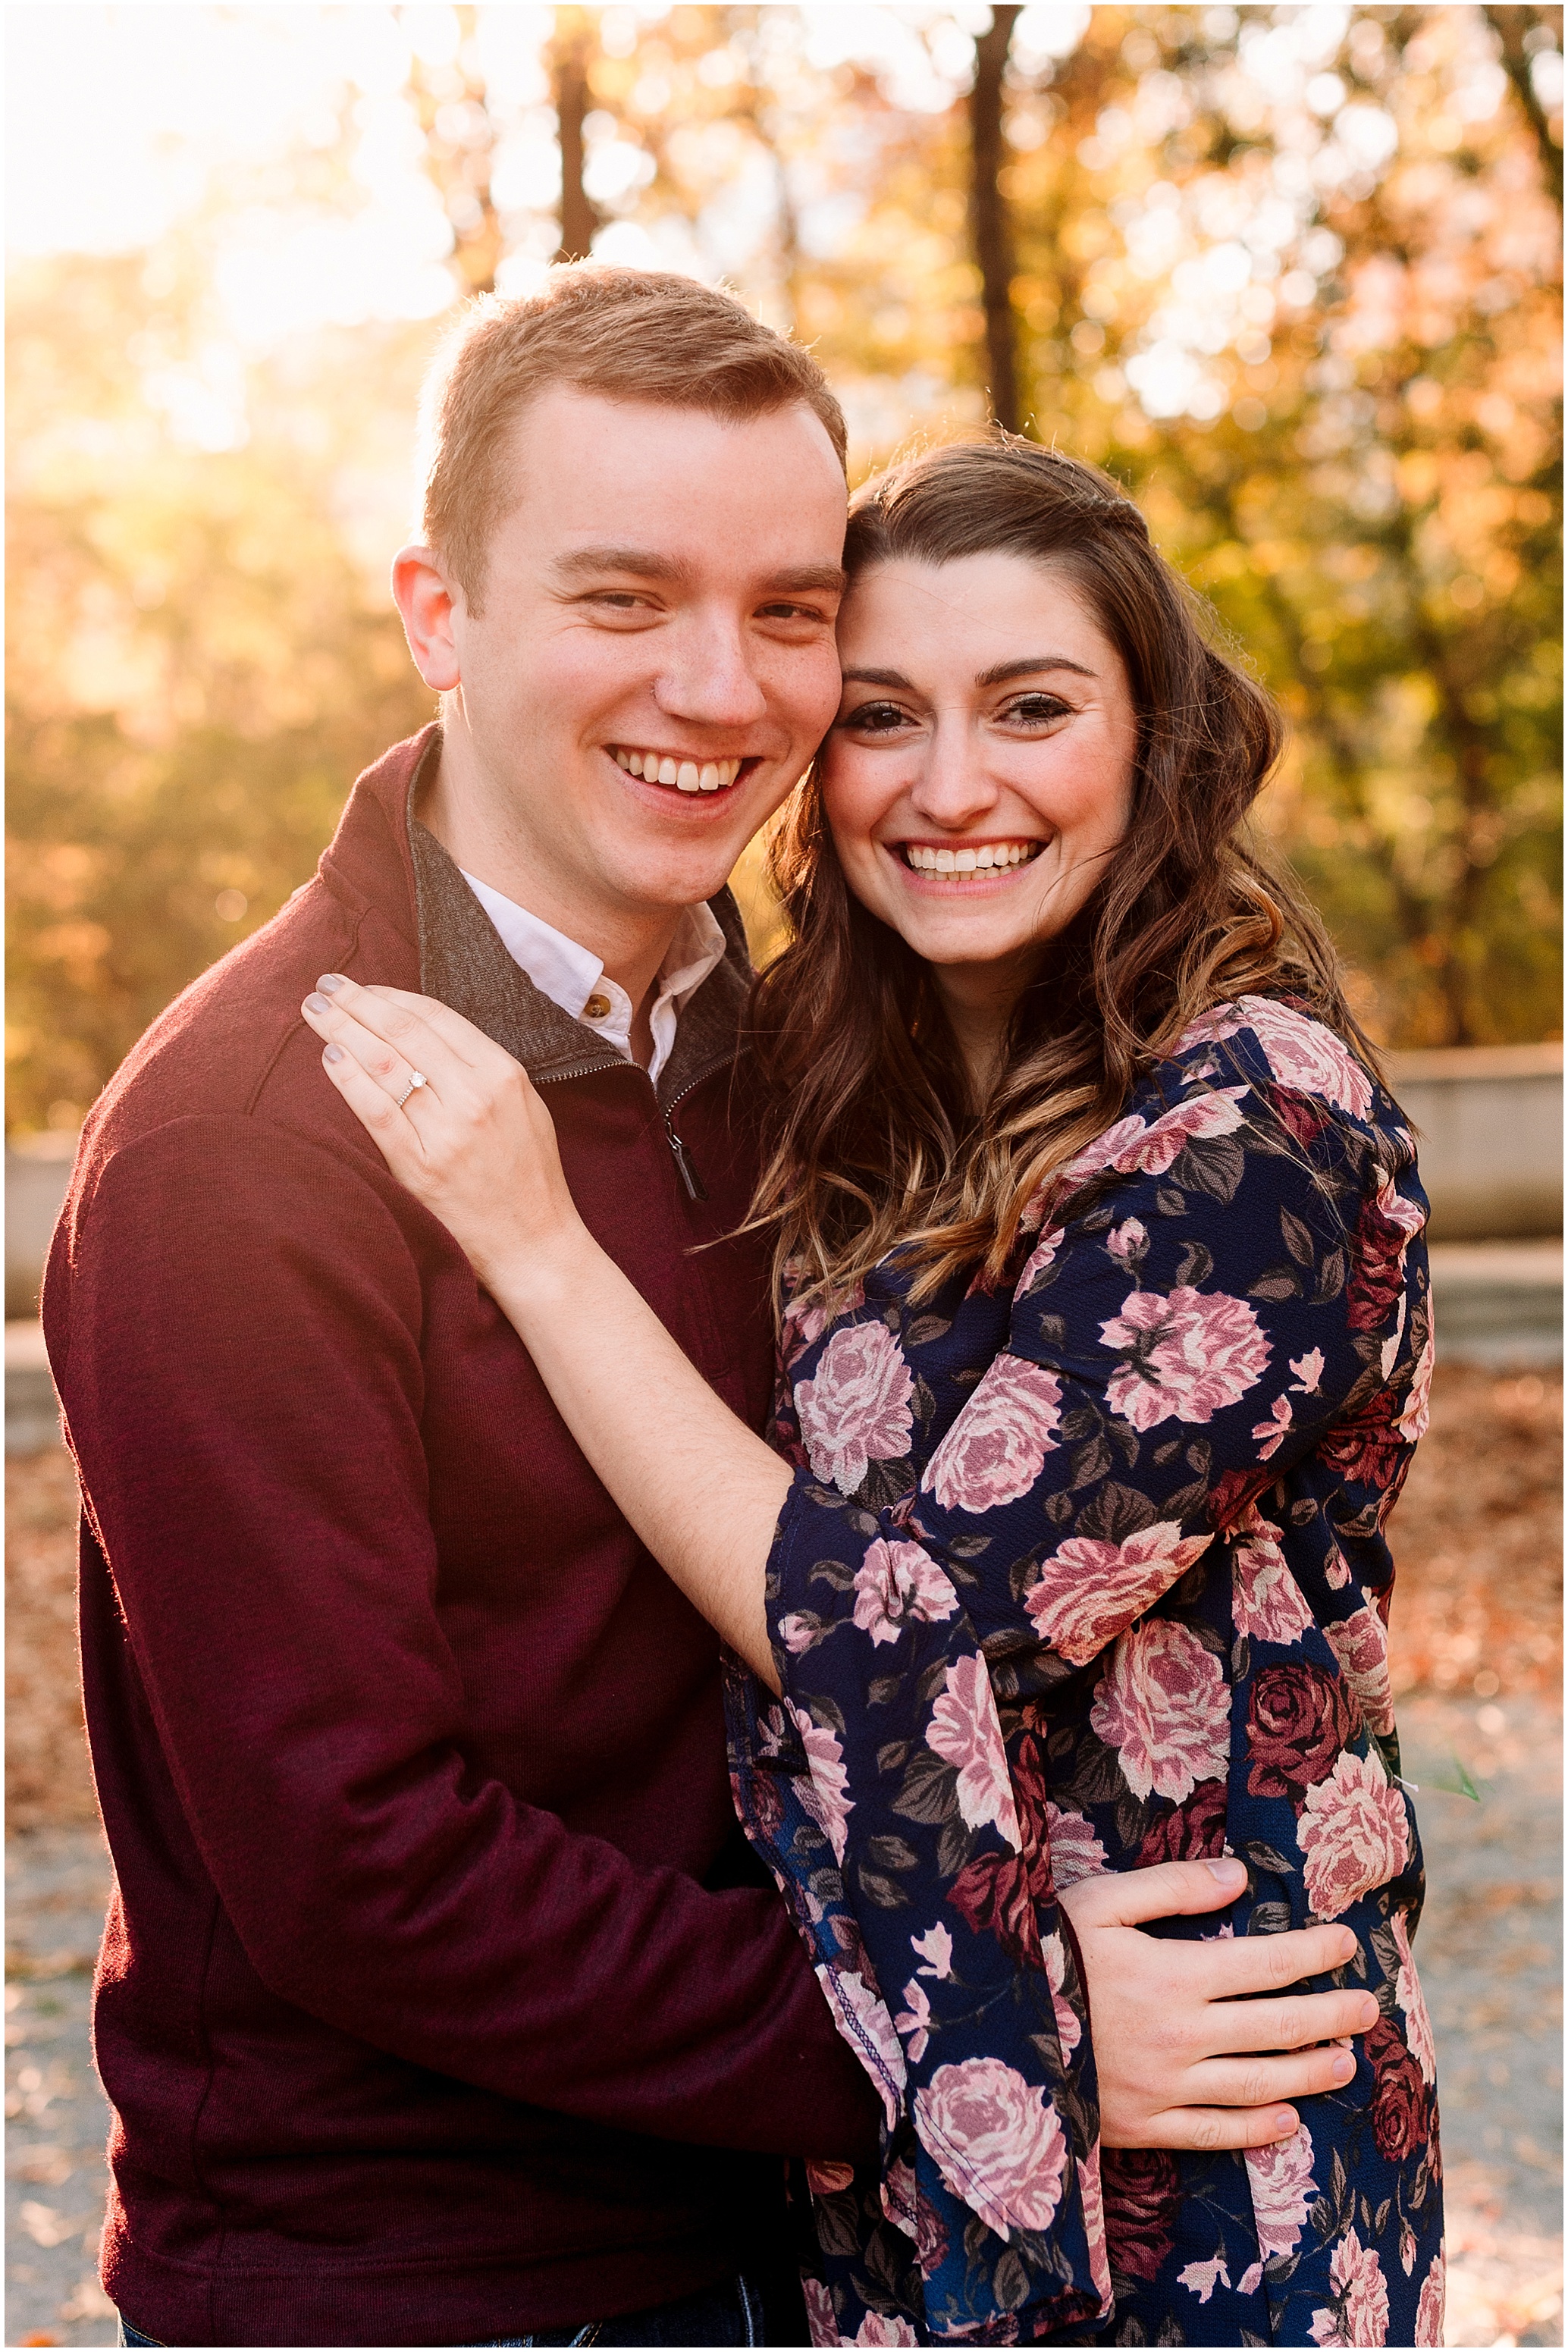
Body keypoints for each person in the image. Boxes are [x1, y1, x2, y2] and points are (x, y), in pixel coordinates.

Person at [48, 269, 1381, 2352]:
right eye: (620, 597)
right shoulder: (257, 1143)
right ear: (437, 616)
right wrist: (975, 2025)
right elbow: (353, 1859)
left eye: (784, 612)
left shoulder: (781, 1073)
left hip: (788, 2233)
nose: (718, 683)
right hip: (426, 2284)